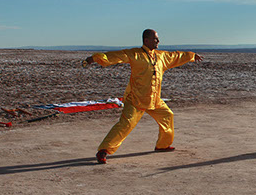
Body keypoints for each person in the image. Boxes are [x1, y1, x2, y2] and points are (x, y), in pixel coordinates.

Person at [84, 29, 202, 164]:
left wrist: (191, 56)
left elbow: (176, 56)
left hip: (154, 99)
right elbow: (116, 56)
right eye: (155, 39)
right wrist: (95, 58)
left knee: (167, 115)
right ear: (146, 40)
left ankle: (162, 145)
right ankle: (103, 150)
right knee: (126, 124)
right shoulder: (135, 54)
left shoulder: (161, 56)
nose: (158, 41)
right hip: (136, 100)